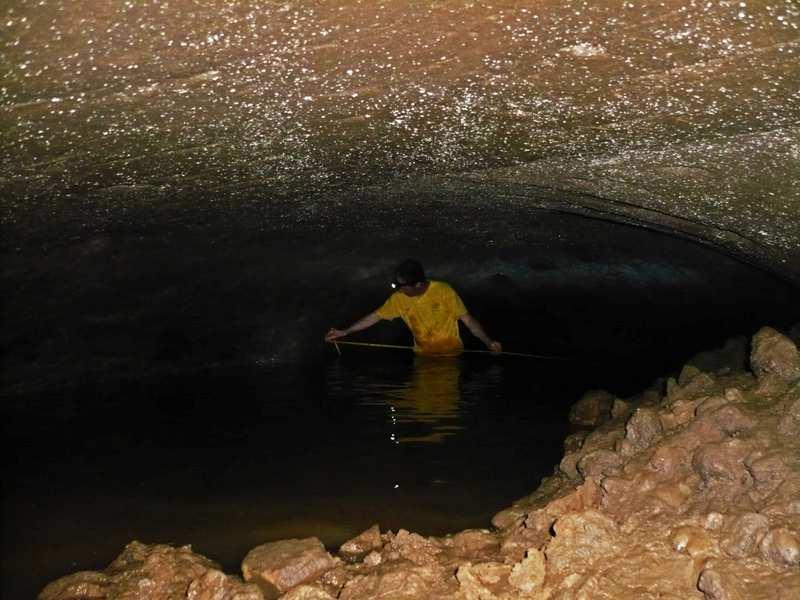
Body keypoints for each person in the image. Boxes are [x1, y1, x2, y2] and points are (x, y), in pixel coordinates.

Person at [325, 259, 502, 356]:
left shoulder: (443, 291)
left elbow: (469, 321)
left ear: (418, 284)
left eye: (403, 287)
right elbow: (375, 316)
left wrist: (488, 342)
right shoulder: (399, 299)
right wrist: (345, 332)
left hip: (451, 356)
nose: (400, 290)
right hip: (423, 358)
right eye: (398, 286)